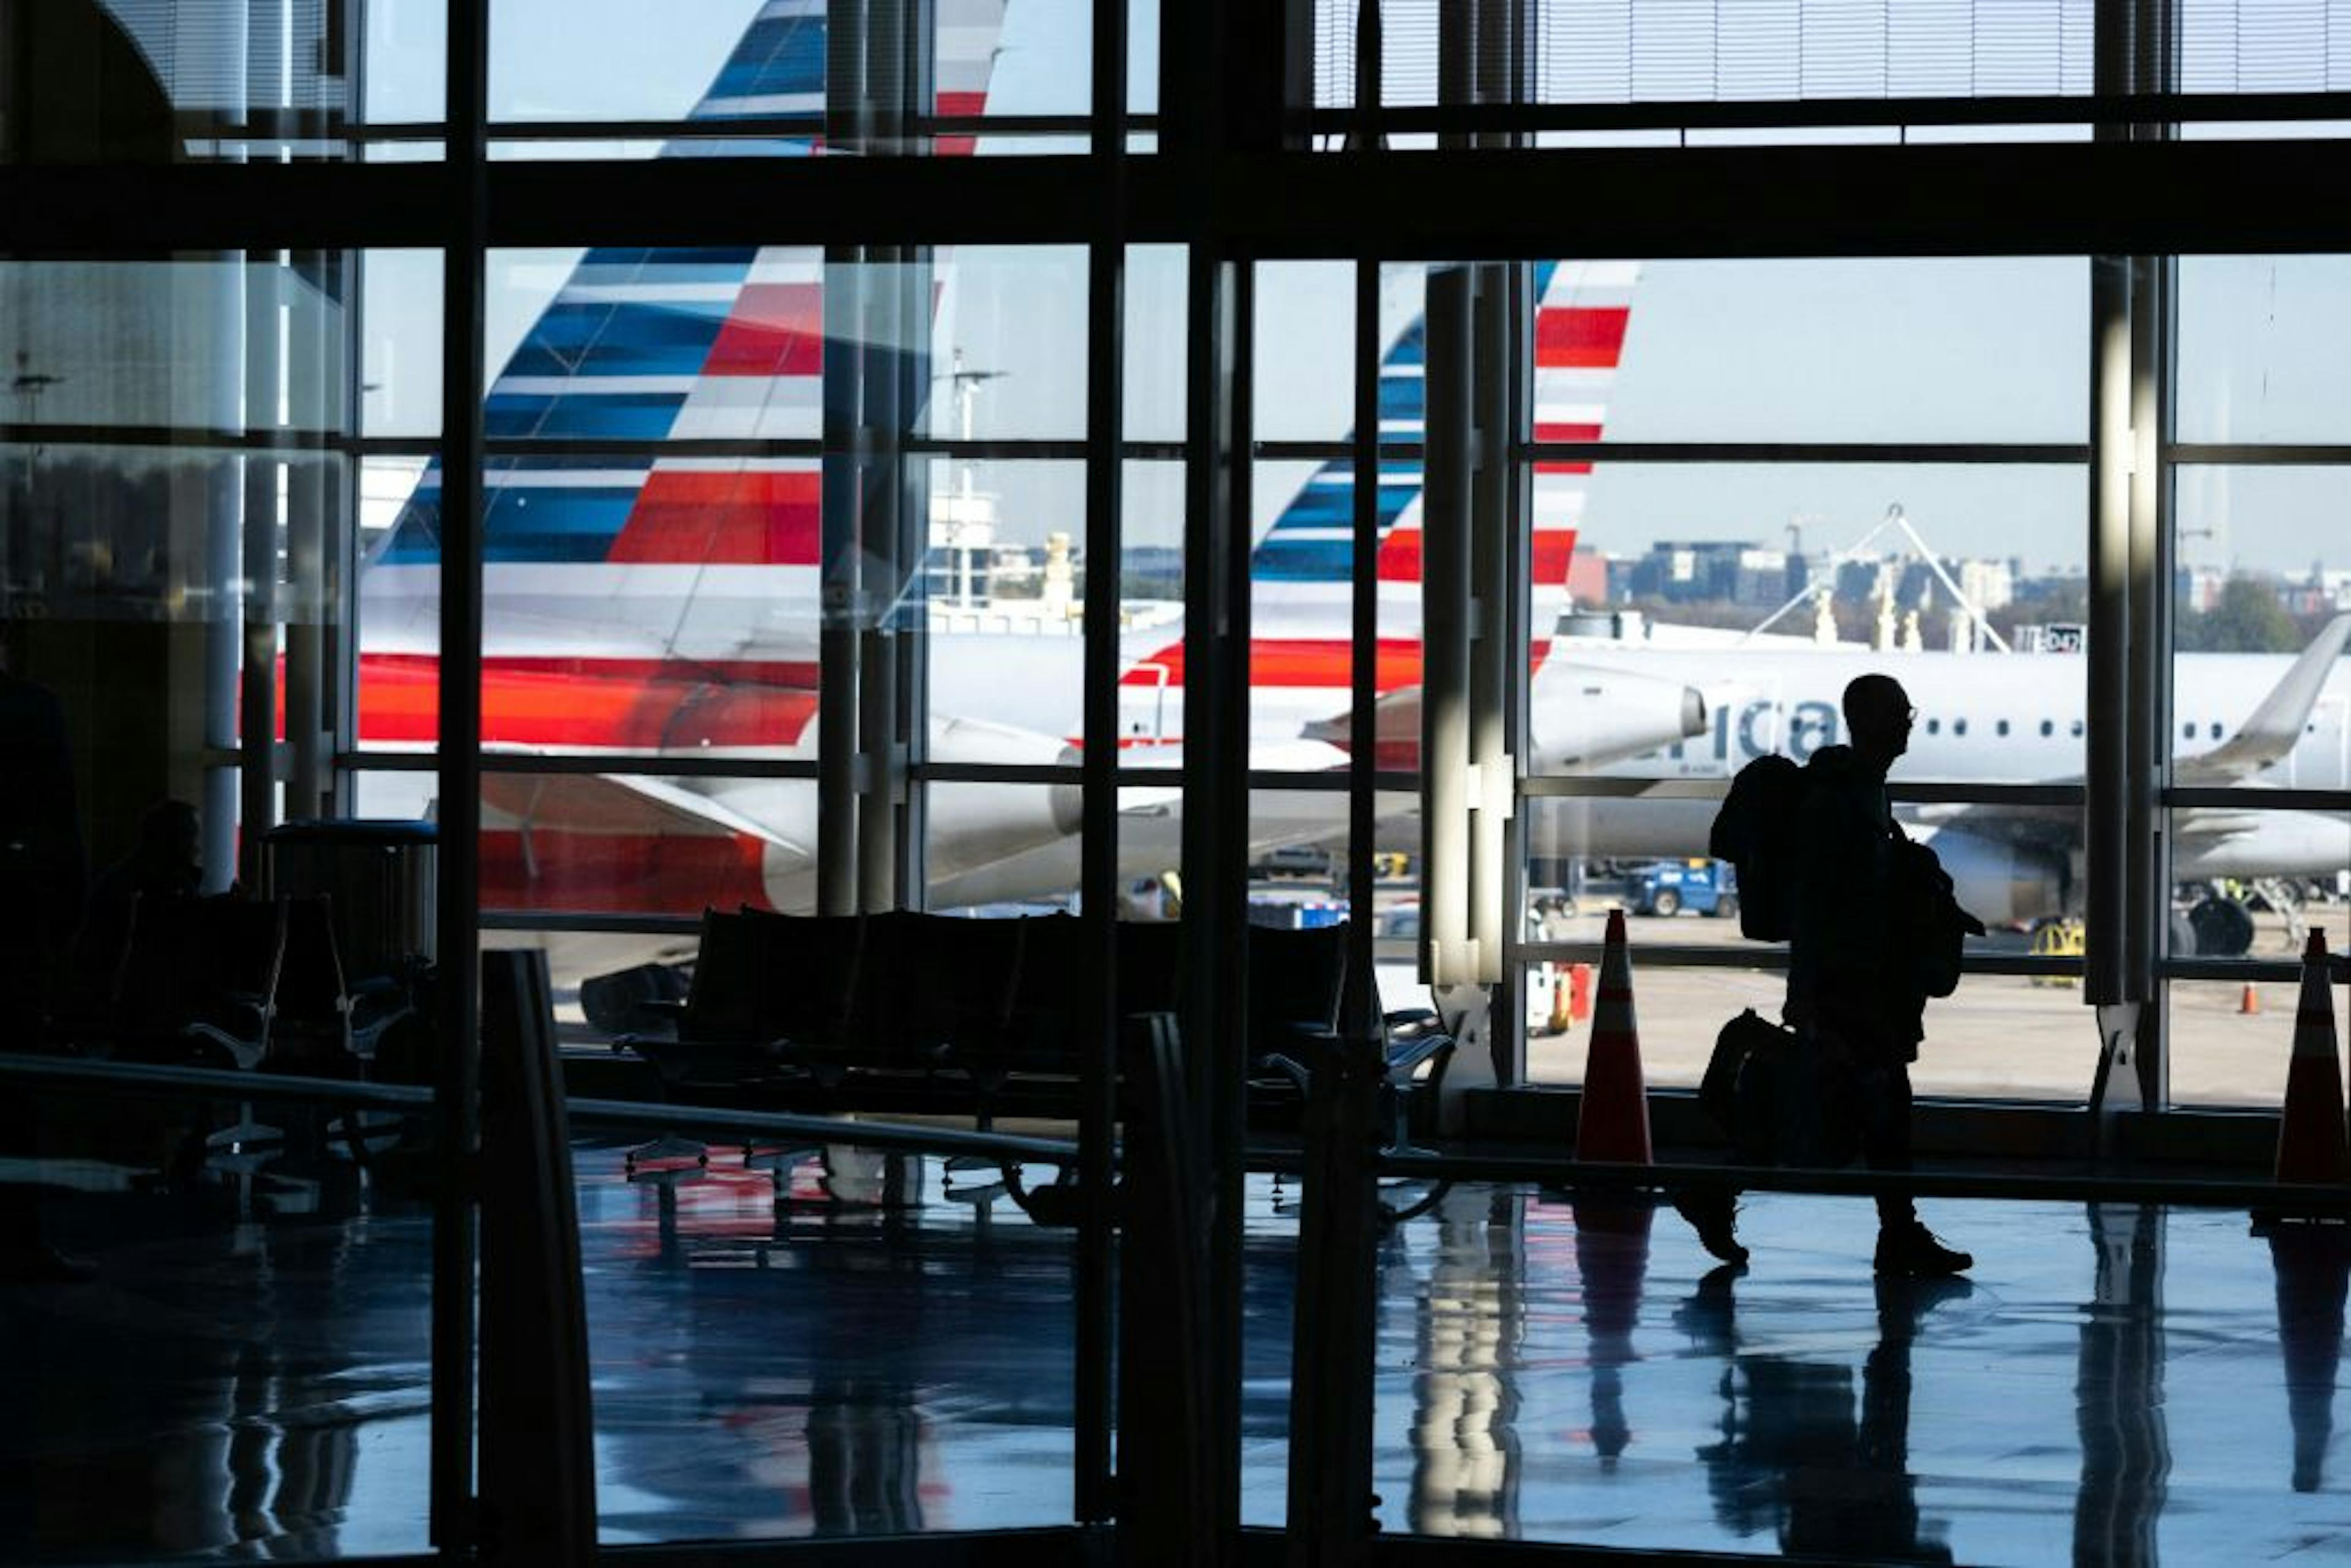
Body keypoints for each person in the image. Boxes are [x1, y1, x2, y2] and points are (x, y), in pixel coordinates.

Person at [1679, 672, 1971, 1277]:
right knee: (1849, 1106)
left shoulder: (1862, 791)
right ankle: (1720, 1189)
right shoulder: (1837, 802)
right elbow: (1820, 908)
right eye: (1898, 713)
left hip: (1865, 984)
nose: (1907, 724)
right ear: (1868, 721)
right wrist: (1810, 998)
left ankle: (1893, 1229)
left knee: (1861, 1105)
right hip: (1847, 987)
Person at [0, 636, 94, 1283]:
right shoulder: (32, 711)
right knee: (13, 1092)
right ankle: (17, 1236)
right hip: (14, 932)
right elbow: (60, 829)